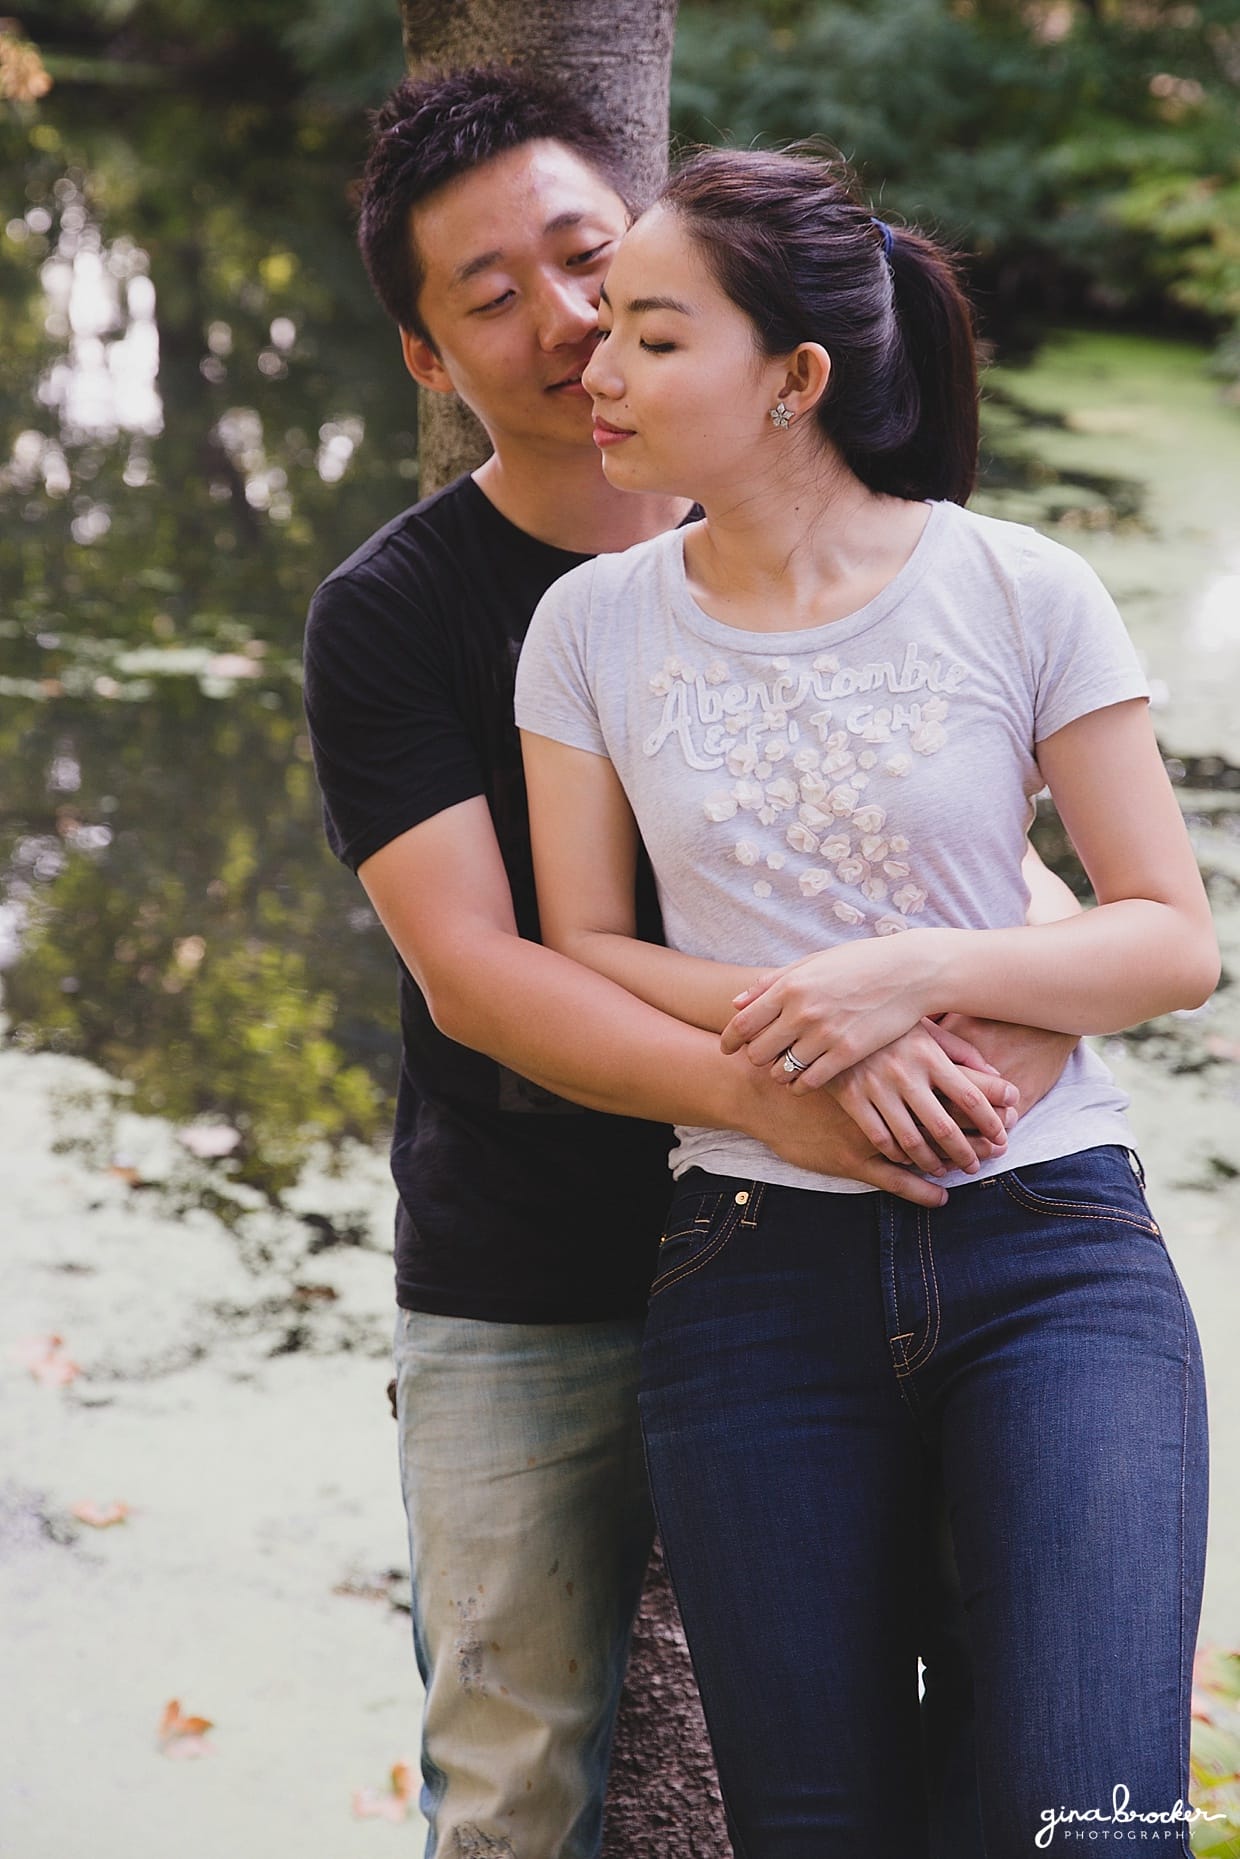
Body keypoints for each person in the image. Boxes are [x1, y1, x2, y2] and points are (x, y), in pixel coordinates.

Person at [304, 70, 1074, 1859]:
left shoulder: (850, 529)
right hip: (536, 1267)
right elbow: (485, 973)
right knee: (509, 1780)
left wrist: (991, 1063)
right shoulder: (397, 615)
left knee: (961, 1708)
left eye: (586, 258)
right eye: (490, 298)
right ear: (429, 361)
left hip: (868, 1234)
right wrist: (785, 1099)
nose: (567, 321)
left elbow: (993, 867)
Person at [514, 145, 1217, 1858]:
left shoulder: (1016, 585)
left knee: (1087, 1823)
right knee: (820, 1831)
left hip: (1053, 1249)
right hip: (751, 1279)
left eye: (653, 337)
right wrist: (819, 1027)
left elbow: (1172, 938)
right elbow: (586, 944)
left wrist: (916, 973)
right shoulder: (587, 628)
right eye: (604, 328)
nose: (595, 368)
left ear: (796, 380)